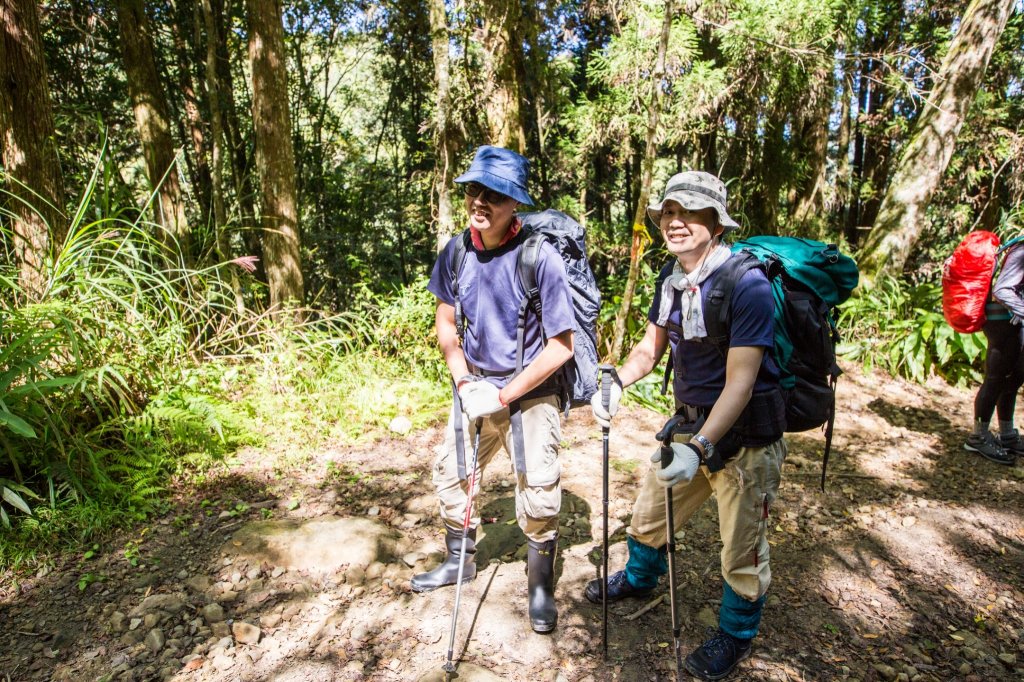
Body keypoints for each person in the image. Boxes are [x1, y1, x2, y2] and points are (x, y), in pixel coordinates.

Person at [585, 171, 787, 680]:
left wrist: (699, 447)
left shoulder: (747, 284)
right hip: (690, 427)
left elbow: (740, 383)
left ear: (716, 223)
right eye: (669, 212)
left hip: (745, 439)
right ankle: (640, 576)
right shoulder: (671, 280)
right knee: (652, 512)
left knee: (741, 546)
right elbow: (650, 349)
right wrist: (617, 381)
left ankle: (736, 636)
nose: (676, 222)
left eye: (690, 212)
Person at [411, 145, 575, 634]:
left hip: (529, 392)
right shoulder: (457, 249)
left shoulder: (538, 257)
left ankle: (540, 587)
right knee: (451, 475)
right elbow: (445, 322)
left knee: (540, 490)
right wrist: (463, 379)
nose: (480, 201)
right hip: (473, 385)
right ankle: (460, 561)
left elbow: (560, 347)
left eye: (495, 194)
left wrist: (503, 396)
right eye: (473, 190)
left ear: (514, 203)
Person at [965, 243, 1024, 465]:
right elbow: (1002, 290)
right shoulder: (1022, 250)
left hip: (1014, 321)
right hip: (1001, 322)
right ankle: (978, 436)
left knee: (1016, 376)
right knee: (996, 378)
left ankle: (1006, 434)